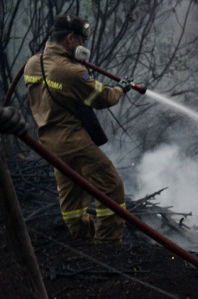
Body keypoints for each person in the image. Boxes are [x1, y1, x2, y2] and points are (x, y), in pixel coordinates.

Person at [22, 14, 133, 244]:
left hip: (49, 144)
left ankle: (83, 241)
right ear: (70, 39)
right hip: (74, 141)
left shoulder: (32, 64)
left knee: (71, 198)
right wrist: (121, 89)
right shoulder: (71, 72)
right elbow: (103, 97)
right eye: (82, 41)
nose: (83, 47)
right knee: (111, 187)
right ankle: (108, 245)